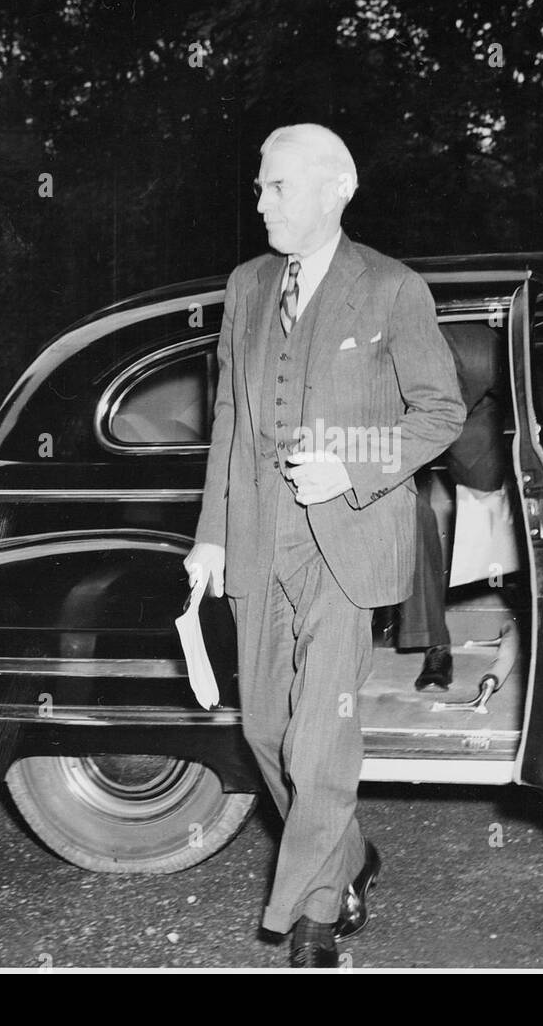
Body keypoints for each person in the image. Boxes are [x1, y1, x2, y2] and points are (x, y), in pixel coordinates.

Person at [184, 124, 464, 968]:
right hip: (256, 543)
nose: (260, 200)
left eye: (276, 186)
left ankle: (313, 919)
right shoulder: (246, 284)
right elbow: (230, 417)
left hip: (345, 545)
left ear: (336, 188)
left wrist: (353, 464)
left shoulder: (391, 288)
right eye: (261, 186)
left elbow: (441, 414)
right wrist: (209, 537)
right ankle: (348, 857)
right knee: (266, 731)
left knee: (320, 741)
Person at [397, 323, 508, 690]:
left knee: (489, 500)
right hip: (405, 426)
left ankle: (527, 617)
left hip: (473, 409)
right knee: (411, 511)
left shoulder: (486, 354)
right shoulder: (385, 368)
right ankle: (436, 645)